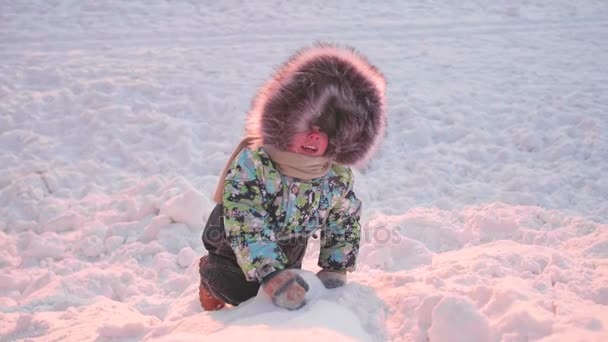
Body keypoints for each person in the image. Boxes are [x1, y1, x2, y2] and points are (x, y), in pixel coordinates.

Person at [199, 43, 386, 311]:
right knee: (241, 290)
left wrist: (335, 268)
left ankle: (272, 274)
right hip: (232, 236)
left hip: (289, 242)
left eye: (324, 131)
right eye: (306, 126)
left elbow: (343, 220)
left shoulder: (334, 176)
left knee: (288, 293)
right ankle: (209, 276)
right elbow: (247, 220)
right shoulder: (256, 163)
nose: (313, 136)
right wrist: (271, 273)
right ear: (286, 121)